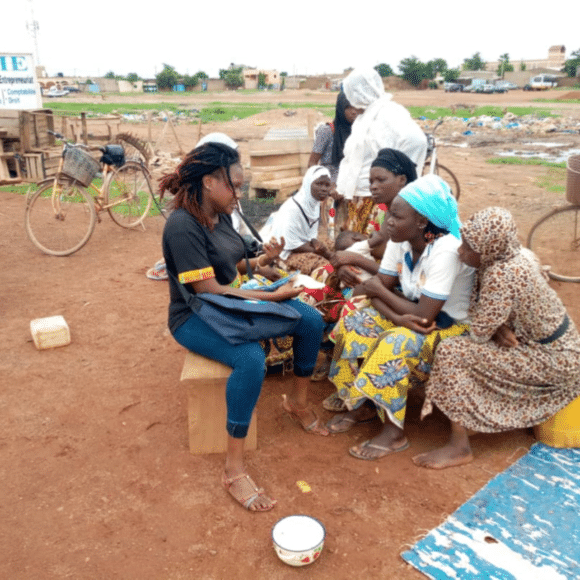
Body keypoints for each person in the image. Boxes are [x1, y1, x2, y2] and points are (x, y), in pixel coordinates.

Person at [161, 142, 328, 513]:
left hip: (229, 301)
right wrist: (274, 297)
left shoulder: (220, 217)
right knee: (250, 359)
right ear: (208, 181)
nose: (239, 193)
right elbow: (206, 289)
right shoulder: (181, 225)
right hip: (193, 315)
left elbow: (230, 270)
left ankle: (297, 405)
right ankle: (233, 468)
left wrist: (263, 260)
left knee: (312, 320)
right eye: (233, 185)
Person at [413, 207, 580, 470]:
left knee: (452, 351)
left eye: (468, 248)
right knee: (472, 347)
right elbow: (490, 323)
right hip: (561, 348)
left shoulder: (500, 275)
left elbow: (478, 333)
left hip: (554, 360)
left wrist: (494, 328)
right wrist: (497, 328)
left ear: (489, 249)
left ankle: (459, 447)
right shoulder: (514, 256)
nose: (460, 252)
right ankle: (475, 418)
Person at [326, 175, 475, 460]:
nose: (388, 222)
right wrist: (395, 313)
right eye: (389, 214)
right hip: (411, 313)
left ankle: (394, 432)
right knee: (355, 322)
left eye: (396, 215)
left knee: (396, 343)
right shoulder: (401, 238)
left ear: (421, 222)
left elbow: (423, 316)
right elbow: (377, 289)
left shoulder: (445, 249)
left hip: (449, 326)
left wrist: (389, 307)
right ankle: (364, 402)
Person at [336, 68, 428, 234]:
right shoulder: (364, 116)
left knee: (375, 243)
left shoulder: (389, 113)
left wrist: (399, 176)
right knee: (356, 242)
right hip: (359, 195)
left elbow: (416, 141)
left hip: (378, 196)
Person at [259, 165, 333, 275]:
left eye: (327, 185)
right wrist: (325, 253)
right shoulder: (293, 208)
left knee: (333, 245)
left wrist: (315, 242)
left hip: (302, 245)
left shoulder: (314, 204)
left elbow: (310, 235)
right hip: (284, 253)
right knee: (323, 264)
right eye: (319, 184)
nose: (323, 188)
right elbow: (290, 243)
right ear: (308, 184)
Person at [308, 91, 359, 183]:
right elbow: (312, 163)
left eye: (356, 107)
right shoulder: (327, 131)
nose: (354, 112)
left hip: (352, 182)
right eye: (348, 108)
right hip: (330, 182)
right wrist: (323, 184)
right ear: (340, 109)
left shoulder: (360, 132)